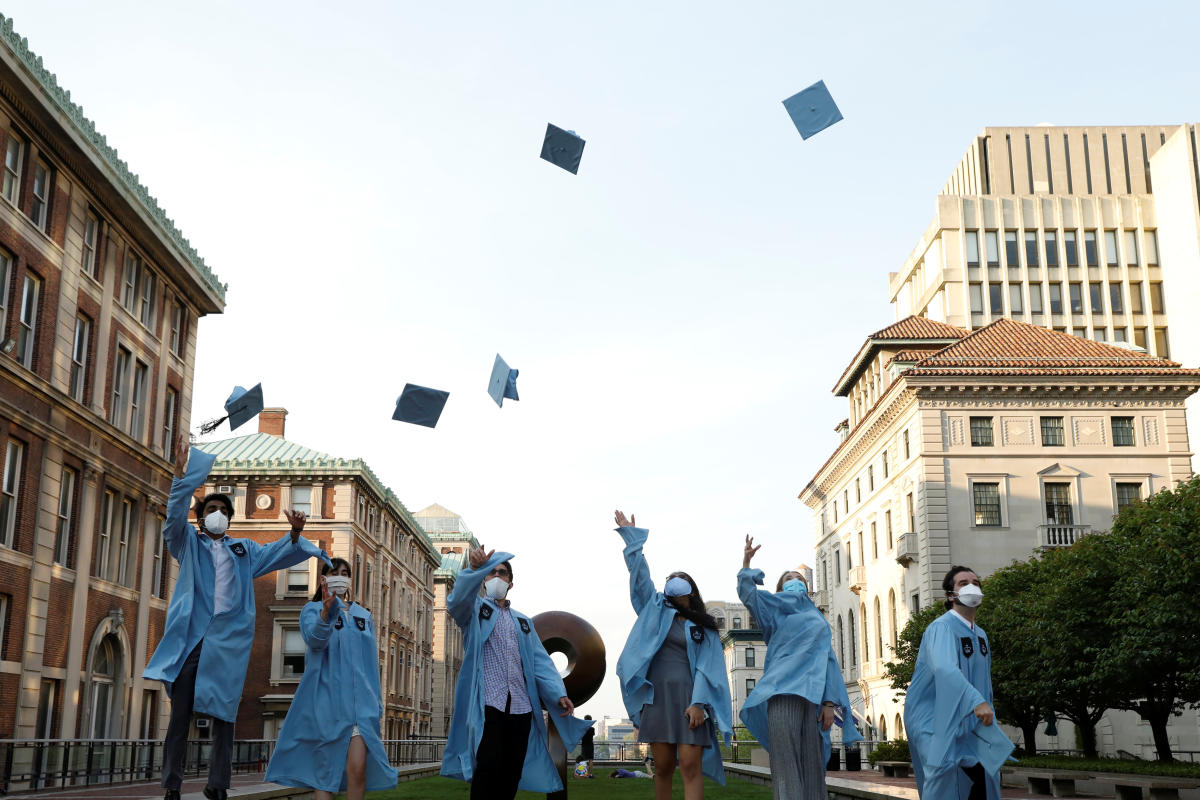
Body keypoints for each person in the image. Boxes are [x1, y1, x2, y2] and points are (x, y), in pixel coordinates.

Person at [145, 435, 330, 800]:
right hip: (193, 638)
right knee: (180, 716)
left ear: (230, 518)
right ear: (202, 517)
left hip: (228, 641)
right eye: (212, 509)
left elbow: (277, 553)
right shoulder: (187, 542)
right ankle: (172, 786)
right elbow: (172, 518)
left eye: (224, 511)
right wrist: (183, 478)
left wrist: (294, 532)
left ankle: (218, 785)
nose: (219, 514)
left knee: (225, 718)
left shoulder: (243, 550)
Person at [441, 545, 593, 799]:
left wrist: (558, 693)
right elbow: (456, 602)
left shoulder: (523, 622)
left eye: (503, 573)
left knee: (511, 772)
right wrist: (473, 570)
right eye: (491, 573)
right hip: (488, 703)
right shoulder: (476, 610)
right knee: (487, 769)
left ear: (511, 583)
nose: (497, 577)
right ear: (483, 580)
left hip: (520, 707)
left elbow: (540, 662)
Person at [614, 510, 733, 800]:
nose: (674, 582)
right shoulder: (654, 610)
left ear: (691, 591)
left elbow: (708, 667)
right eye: (671, 579)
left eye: (680, 580)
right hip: (657, 700)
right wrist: (633, 539)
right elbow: (640, 578)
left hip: (690, 701)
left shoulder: (703, 626)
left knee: (691, 766)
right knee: (663, 768)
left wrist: (699, 704)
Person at [737, 536, 861, 800]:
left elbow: (828, 661)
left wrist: (829, 703)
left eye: (799, 579)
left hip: (814, 700)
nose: (795, 580)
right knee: (785, 766)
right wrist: (746, 562)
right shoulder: (773, 613)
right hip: (782, 695)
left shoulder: (819, 619)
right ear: (782, 588)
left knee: (814, 765)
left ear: (806, 588)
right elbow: (748, 595)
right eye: (789, 579)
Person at [265, 558, 398, 799]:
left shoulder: (363, 616)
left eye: (345, 573)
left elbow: (370, 664)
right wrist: (326, 613)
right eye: (334, 572)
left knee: (358, 769)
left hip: (361, 709)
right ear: (323, 579)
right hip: (326, 704)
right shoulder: (311, 610)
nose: (341, 576)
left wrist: (376, 703)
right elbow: (315, 641)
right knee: (324, 774)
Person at [904, 566, 1013, 800]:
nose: (972, 586)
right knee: (945, 779)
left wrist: (986, 711)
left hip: (972, 723)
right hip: (935, 720)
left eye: (976, 582)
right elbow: (944, 669)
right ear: (950, 595)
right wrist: (976, 701)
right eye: (963, 583)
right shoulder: (941, 628)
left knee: (985, 779)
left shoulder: (980, 634)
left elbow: (985, 682)